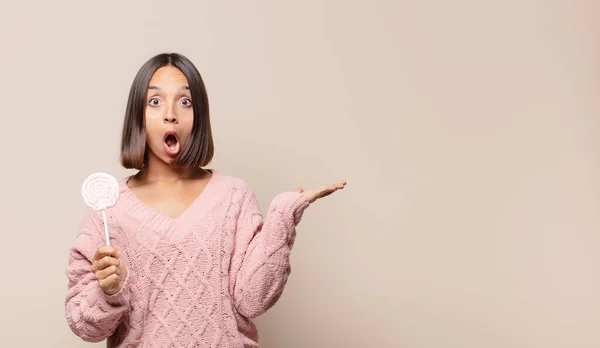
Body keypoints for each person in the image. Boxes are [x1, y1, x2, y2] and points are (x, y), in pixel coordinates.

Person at [64, 52, 346, 347]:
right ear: (138, 116)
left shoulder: (233, 197)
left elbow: (252, 300)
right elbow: (86, 327)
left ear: (199, 116)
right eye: (155, 101)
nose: (170, 113)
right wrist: (109, 291)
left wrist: (284, 214)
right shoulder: (108, 209)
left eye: (185, 102)